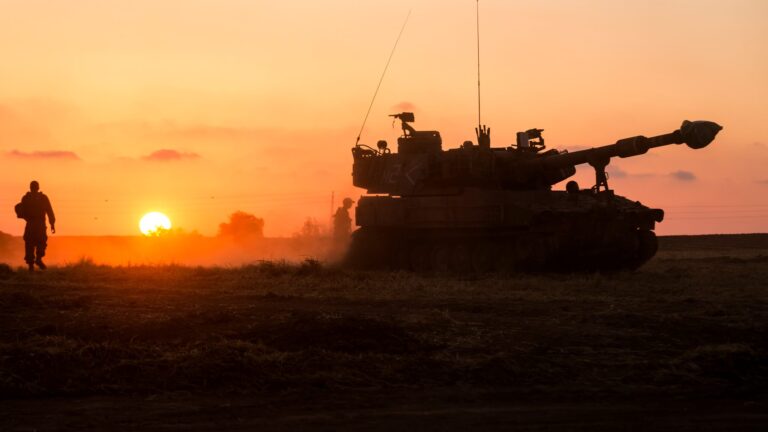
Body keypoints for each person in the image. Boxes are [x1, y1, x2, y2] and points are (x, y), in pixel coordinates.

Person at [19, 181, 56, 271]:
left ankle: (31, 265)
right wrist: (52, 224)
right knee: (40, 242)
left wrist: (26, 218)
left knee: (30, 244)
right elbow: (50, 211)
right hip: (39, 224)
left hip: (31, 224)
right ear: (38, 188)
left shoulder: (26, 198)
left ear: (30, 188)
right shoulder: (43, 198)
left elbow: (20, 210)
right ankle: (37, 260)